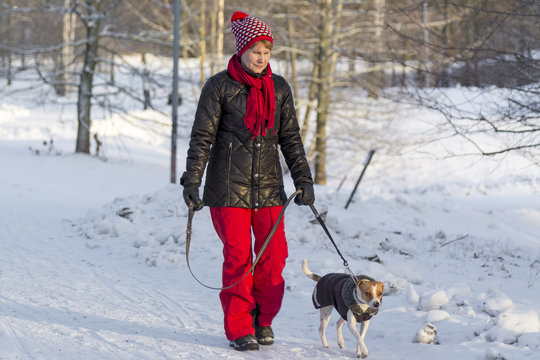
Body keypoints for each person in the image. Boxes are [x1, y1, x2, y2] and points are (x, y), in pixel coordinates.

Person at [180, 11, 315, 351]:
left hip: (269, 189)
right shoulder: (219, 86)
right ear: (241, 50)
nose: (261, 57)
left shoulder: (278, 88)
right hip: (227, 189)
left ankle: (262, 319)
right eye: (256, 50)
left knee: (273, 261)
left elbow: (291, 139)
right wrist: (192, 181)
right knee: (239, 259)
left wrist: (303, 179)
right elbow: (202, 138)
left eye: (267, 51)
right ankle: (240, 328)